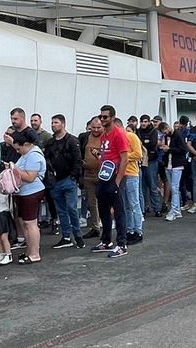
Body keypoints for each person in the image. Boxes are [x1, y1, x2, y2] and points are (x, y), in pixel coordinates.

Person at [92, 105, 130, 258]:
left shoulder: (119, 134)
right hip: (104, 176)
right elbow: (106, 156)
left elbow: (125, 158)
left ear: (112, 117)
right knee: (103, 209)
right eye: (101, 117)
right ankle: (106, 240)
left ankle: (122, 244)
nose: (102, 119)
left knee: (119, 210)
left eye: (105, 117)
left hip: (115, 177)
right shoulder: (104, 135)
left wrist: (118, 181)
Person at [8, 128, 47, 264]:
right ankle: (29, 251)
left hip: (32, 191)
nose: (17, 152)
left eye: (18, 149)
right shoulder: (28, 154)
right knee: (26, 223)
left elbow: (30, 177)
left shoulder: (34, 155)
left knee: (31, 224)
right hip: (25, 192)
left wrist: (14, 169)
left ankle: (35, 253)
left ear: (26, 144)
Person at [46, 114, 84, 250]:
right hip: (56, 181)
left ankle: (78, 235)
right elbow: (47, 159)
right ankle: (66, 236)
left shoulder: (72, 141)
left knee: (72, 208)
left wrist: (74, 176)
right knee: (61, 210)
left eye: (56, 122)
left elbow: (78, 160)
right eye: (52, 122)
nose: (53, 125)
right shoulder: (50, 143)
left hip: (68, 179)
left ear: (63, 124)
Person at [163, 117, 190, 221]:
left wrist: (169, 149)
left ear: (168, 127)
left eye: (165, 131)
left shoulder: (178, 135)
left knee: (174, 188)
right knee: (174, 188)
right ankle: (177, 210)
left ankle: (174, 211)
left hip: (177, 165)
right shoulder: (167, 136)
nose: (165, 133)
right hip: (169, 165)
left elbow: (183, 149)